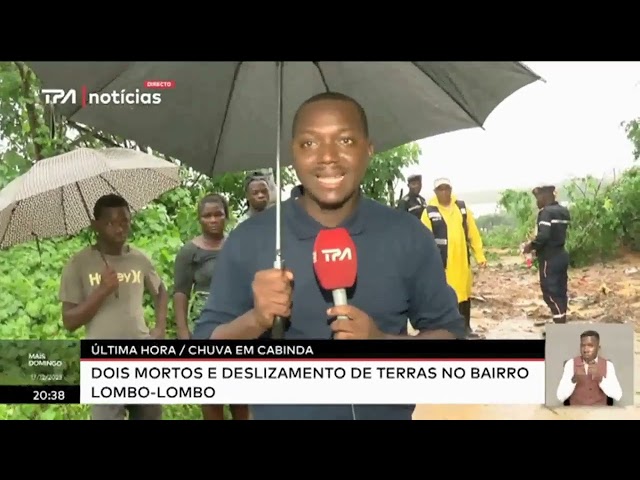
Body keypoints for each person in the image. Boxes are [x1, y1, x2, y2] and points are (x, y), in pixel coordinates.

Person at [192, 91, 465, 421]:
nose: (327, 157)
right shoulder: (249, 240)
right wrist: (255, 320)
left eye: (346, 140)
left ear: (368, 149)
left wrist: (380, 342)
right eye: (309, 143)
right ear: (292, 153)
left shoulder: (408, 236)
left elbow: (449, 336)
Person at [59, 194, 168, 420]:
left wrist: (160, 327)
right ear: (95, 224)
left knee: (150, 415)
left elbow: (161, 291)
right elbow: (69, 321)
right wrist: (101, 291)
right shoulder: (78, 264)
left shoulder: (140, 259)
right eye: (110, 222)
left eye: (124, 221)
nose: (119, 229)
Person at [173, 194, 249, 420]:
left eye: (218, 214)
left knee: (241, 398)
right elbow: (180, 292)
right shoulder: (190, 251)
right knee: (211, 397)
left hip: (237, 326)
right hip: (204, 329)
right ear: (199, 219)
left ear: (226, 216)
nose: (213, 219)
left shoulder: (237, 246)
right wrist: (183, 333)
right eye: (207, 215)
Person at [420, 178, 487, 339]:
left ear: (451, 190)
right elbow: (424, 241)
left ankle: (466, 328)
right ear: (435, 192)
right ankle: (450, 330)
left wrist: (480, 256)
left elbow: (473, 234)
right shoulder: (429, 212)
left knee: (464, 295)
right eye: (440, 189)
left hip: (462, 262)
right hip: (443, 265)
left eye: (446, 189)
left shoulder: (462, 208)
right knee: (448, 297)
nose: (444, 192)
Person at [522, 186, 571, 324]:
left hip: (550, 258)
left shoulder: (545, 213)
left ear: (544, 197)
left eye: (537, 198)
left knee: (549, 293)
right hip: (562, 255)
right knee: (561, 292)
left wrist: (530, 246)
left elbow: (544, 236)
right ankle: (561, 322)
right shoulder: (563, 211)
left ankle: (559, 326)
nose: (537, 202)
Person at [556, 330, 623, 406]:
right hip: (577, 414)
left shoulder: (608, 365)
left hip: (600, 414)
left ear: (598, 348)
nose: (585, 350)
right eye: (583, 345)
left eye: (590, 346)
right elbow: (560, 397)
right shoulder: (570, 364)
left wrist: (600, 378)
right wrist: (574, 379)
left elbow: (618, 395)